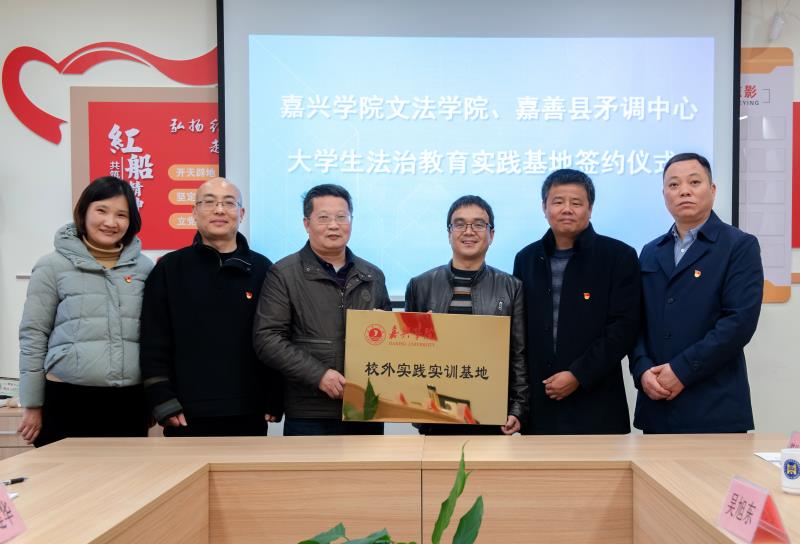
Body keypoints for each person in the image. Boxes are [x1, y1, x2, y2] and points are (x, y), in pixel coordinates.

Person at [630, 152, 763, 433]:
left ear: (712, 190)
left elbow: (738, 323)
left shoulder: (739, 246)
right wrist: (642, 369)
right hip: (657, 405)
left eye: (694, 182)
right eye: (674, 185)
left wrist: (681, 370)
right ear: (664, 195)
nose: (684, 191)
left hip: (715, 407)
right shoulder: (651, 251)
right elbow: (635, 321)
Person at [139, 177, 282, 437]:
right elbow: (153, 339)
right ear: (194, 212)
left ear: (241, 213)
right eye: (209, 202)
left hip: (249, 410)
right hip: (185, 412)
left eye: (228, 203)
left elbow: (275, 337)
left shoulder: (263, 269)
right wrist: (160, 397)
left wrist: (275, 394)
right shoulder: (169, 268)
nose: (219, 210)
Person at [18, 176, 153, 447]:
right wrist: (32, 403)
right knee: (64, 474)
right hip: (67, 398)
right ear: (84, 211)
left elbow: (153, 338)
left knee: (125, 474)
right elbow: (33, 335)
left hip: (129, 401)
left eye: (121, 215)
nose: (110, 222)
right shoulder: (52, 266)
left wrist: (152, 399)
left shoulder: (144, 268)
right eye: (101, 210)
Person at [253, 184, 391, 436]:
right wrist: (318, 375)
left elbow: (389, 339)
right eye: (324, 218)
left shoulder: (373, 275)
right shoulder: (284, 273)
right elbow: (267, 338)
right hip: (310, 409)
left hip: (364, 406)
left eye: (342, 217)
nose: (334, 225)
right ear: (307, 224)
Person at [514, 169, 640, 434]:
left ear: (590, 208)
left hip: (597, 404)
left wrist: (578, 375)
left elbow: (624, 328)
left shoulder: (619, 256)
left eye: (576, 202)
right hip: (540, 403)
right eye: (558, 201)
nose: (567, 209)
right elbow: (519, 332)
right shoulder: (526, 259)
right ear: (544, 207)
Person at [405, 195, 528, 435]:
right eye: (459, 224)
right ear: (449, 233)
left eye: (479, 224)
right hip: (435, 415)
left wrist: (517, 408)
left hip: (491, 415)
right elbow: (408, 354)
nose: (469, 231)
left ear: (491, 234)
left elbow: (519, 355)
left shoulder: (511, 287)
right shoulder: (420, 285)